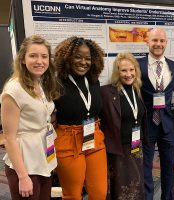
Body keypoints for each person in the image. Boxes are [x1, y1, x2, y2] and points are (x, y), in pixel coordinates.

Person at [0, 35, 59, 200]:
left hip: (42, 157)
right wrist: (23, 177)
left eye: (44, 56)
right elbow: (9, 138)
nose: (39, 61)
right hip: (25, 163)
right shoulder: (14, 90)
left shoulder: (39, 82)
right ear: (23, 59)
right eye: (33, 56)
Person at [53, 36, 107, 200]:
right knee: (72, 195)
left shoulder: (93, 81)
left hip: (94, 138)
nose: (83, 62)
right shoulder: (56, 82)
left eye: (88, 58)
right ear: (67, 57)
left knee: (99, 193)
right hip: (68, 141)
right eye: (77, 56)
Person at [138, 28, 174, 200]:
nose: (158, 44)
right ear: (147, 42)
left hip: (168, 125)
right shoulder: (136, 65)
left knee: (169, 167)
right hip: (147, 124)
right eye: (154, 40)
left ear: (166, 43)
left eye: (162, 41)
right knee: (145, 167)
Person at [100, 52, 147, 199]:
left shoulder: (137, 90)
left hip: (136, 146)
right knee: (121, 187)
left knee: (137, 183)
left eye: (131, 70)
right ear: (117, 72)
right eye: (124, 70)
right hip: (118, 149)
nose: (128, 74)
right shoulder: (107, 92)